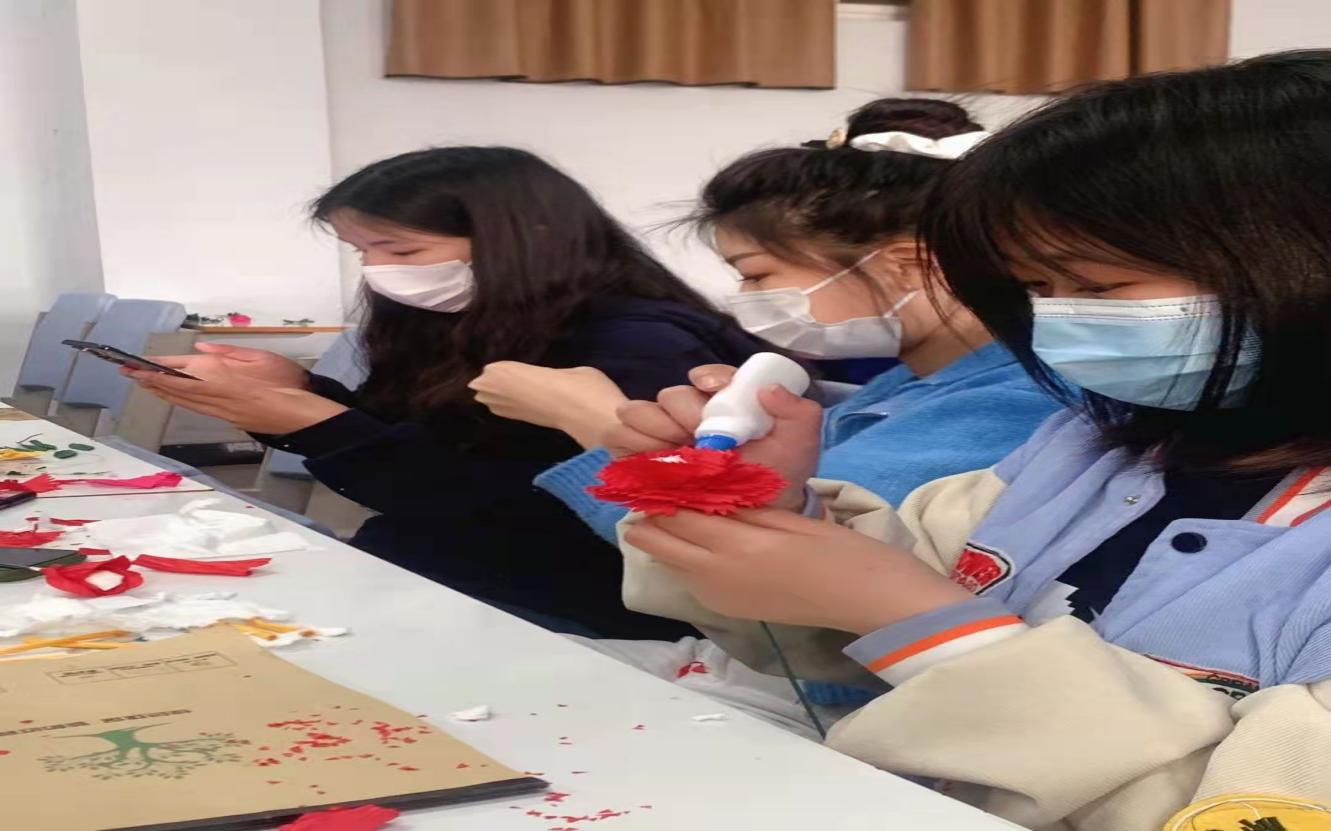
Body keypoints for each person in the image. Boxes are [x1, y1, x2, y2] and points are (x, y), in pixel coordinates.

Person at [614, 51, 1331, 830]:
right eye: (1033, 287)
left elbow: (1243, 809)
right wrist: (774, 512)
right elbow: (860, 620)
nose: (1055, 317)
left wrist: (941, 632)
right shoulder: (1084, 450)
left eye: (1096, 286)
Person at [126, 146, 768, 639]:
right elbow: (432, 441)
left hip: (560, 602)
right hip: (438, 569)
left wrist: (315, 422)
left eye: (402, 250)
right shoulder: (461, 318)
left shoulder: (640, 342)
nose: (378, 271)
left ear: (529, 239)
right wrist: (298, 391)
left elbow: (541, 516)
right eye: (362, 251)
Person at [477, 99, 1060, 545]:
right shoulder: (912, 381)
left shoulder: (1016, 403)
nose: (745, 298)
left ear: (907, 265)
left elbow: (767, 558)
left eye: (756, 274)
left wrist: (596, 423)